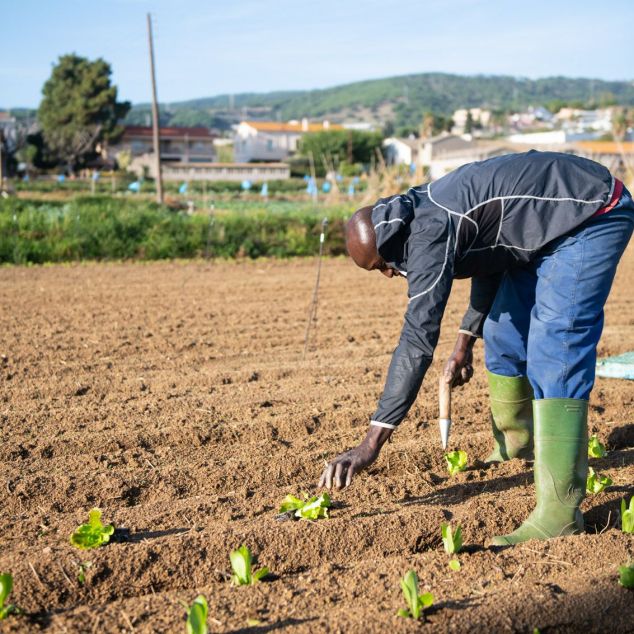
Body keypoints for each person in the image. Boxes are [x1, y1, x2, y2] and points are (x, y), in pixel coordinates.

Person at [318, 150, 634, 545]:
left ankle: (560, 512)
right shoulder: (417, 212)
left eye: (382, 264)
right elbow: (491, 255)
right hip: (539, 231)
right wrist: (465, 342)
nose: (386, 274)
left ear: (393, 242)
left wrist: (369, 445)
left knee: (557, 345)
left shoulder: (428, 234)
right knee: (502, 334)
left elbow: (417, 340)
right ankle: (516, 447)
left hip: (592, 214)